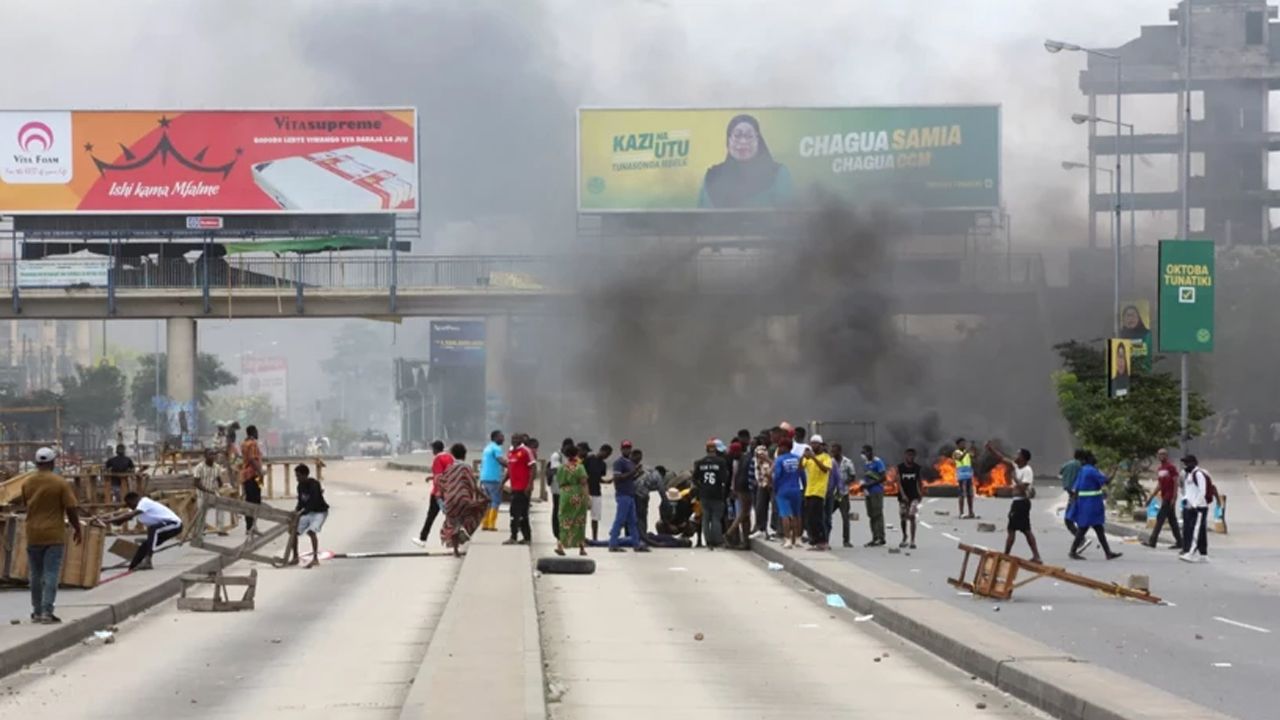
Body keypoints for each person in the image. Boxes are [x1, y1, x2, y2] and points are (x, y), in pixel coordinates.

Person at [21, 447, 81, 624]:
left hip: (33, 533)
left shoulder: (27, 483)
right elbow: (71, 508)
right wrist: (77, 528)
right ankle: (47, 611)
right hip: (54, 534)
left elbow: (26, 504)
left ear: (37, 463)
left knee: (35, 574)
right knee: (51, 573)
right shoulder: (60, 483)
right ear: (53, 462)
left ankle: (37, 611)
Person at [697, 113, 793, 209]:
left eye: (749, 136)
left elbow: (786, 217)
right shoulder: (712, 176)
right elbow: (701, 218)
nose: (743, 142)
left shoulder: (778, 174)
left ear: (758, 141)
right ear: (728, 140)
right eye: (737, 135)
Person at [988, 444, 1042, 564]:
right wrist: (991, 449)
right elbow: (1002, 458)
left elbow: (1024, 488)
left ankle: (1007, 555)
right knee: (1021, 530)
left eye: (1018, 454)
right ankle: (1035, 556)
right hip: (1017, 502)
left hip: (1021, 503)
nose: (1015, 456)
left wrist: (1015, 478)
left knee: (1016, 530)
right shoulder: (1016, 466)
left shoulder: (1027, 470)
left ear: (1023, 457)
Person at [1066, 451, 1122, 560]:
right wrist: (1114, 471)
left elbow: (1076, 488)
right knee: (1084, 528)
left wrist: (1074, 503)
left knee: (1098, 529)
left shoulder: (1083, 470)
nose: (1095, 458)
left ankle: (1108, 553)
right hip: (1091, 504)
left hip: (1085, 503)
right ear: (1089, 459)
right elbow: (1107, 481)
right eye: (1093, 457)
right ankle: (1073, 551)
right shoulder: (1091, 470)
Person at [112, 492, 183, 571]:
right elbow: (122, 519)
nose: (130, 507)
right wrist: (109, 520)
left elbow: (129, 515)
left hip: (175, 525)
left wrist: (108, 520)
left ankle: (148, 560)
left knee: (153, 529)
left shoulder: (144, 502)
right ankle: (135, 564)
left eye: (129, 504)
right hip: (164, 527)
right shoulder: (137, 507)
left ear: (134, 500)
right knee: (145, 545)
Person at [438, 443, 486, 557]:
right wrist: (484, 497)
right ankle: (466, 532)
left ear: (452, 454)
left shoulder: (449, 468)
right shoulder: (466, 467)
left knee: (453, 523)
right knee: (478, 511)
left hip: (451, 501)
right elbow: (473, 485)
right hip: (464, 500)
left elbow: (442, 482)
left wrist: (447, 494)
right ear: (465, 455)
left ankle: (456, 550)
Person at [606, 441, 649, 552]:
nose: (627, 450)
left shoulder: (630, 463)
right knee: (620, 520)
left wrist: (637, 473)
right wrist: (633, 472)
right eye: (625, 448)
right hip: (622, 494)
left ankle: (636, 544)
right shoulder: (619, 463)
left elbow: (630, 478)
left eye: (629, 448)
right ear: (621, 449)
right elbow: (618, 478)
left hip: (630, 494)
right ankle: (613, 543)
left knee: (632, 521)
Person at [412, 440, 452, 548]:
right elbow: (446, 474)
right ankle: (454, 538)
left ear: (435, 449)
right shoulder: (449, 457)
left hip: (437, 493)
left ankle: (422, 539)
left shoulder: (437, 459)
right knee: (451, 515)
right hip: (449, 490)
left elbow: (439, 477)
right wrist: (432, 477)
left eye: (432, 449)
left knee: (431, 516)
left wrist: (438, 492)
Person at [693, 439, 731, 550]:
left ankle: (708, 540)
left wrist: (701, 487)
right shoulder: (721, 462)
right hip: (717, 493)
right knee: (716, 517)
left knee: (706, 517)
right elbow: (724, 478)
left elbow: (695, 478)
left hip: (704, 494)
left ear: (706, 450)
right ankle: (717, 540)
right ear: (715, 450)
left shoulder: (700, 462)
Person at [289, 464, 329, 568]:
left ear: (305, 475)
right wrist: (296, 511)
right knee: (293, 531)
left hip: (319, 512)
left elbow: (314, 502)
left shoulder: (314, 485)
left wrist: (302, 512)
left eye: (298, 476)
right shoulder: (300, 486)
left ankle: (315, 559)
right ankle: (295, 557)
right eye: (296, 476)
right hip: (308, 512)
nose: (297, 478)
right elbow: (300, 502)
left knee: (311, 532)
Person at [555, 445, 590, 557]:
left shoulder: (561, 467)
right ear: (576, 454)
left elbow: (559, 482)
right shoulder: (580, 467)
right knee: (579, 520)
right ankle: (581, 548)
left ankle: (560, 544)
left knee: (565, 519)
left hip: (565, 494)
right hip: (577, 494)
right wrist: (587, 497)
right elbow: (584, 482)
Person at [1145, 448, 1183, 549]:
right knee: (1172, 520)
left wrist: (1174, 497)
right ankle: (1180, 542)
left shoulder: (1171, 467)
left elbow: (1175, 482)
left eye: (1163, 454)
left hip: (1169, 497)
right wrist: (1151, 497)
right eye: (1159, 454)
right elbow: (1160, 485)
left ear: (1167, 456)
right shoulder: (1160, 469)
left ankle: (1152, 541)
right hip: (1164, 496)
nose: (1161, 456)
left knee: (1160, 518)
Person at [801, 436, 832, 551]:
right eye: (812, 444)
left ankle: (823, 541)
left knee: (817, 518)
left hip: (819, 491)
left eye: (816, 444)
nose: (813, 446)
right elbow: (800, 467)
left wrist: (814, 458)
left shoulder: (825, 457)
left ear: (820, 445)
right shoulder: (809, 458)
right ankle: (814, 540)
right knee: (810, 518)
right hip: (809, 490)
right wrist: (802, 457)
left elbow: (825, 469)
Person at [772, 439, 805, 549]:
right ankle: (798, 539)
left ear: (785, 447)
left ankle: (788, 540)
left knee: (785, 514)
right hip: (796, 489)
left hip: (783, 490)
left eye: (780, 447)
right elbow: (802, 475)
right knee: (797, 515)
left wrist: (775, 488)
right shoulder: (797, 458)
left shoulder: (779, 460)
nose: (779, 449)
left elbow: (777, 476)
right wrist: (804, 488)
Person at [1179, 454, 1211, 563]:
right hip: (1190, 506)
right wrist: (1185, 502)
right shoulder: (1189, 475)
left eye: (1187, 463)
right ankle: (1203, 554)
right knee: (1200, 531)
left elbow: (1203, 491)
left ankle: (1190, 553)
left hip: (1199, 507)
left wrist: (1195, 505)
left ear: (1193, 463)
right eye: (1184, 463)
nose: (1185, 465)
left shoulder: (1199, 474)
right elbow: (1188, 491)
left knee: (1195, 531)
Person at [504, 433, 535, 545]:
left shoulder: (526, 451)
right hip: (514, 487)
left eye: (517, 439)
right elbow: (509, 469)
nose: (514, 440)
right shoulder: (511, 452)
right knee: (514, 513)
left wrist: (530, 485)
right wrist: (502, 482)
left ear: (521, 440)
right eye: (513, 439)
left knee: (521, 513)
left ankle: (520, 537)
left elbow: (532, 467)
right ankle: (518, 536)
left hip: (523, 488)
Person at [724, 441, 753, 548]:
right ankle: (734, 536)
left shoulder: (742, 460)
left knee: (744, 514)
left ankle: (732, 534)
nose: (731, 454)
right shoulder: (742, 459)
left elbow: (738, 477)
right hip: (742, 489)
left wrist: (734, 489)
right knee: (744, 514)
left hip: (742, 489)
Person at [479, 430, 507, 532]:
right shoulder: (496, 448)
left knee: (487, 502)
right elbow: (501, 461)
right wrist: (512, 466)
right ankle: (491, 524)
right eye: (501, 437)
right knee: (495, 501)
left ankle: (485, 523)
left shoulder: (487, 448)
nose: (503, 439)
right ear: (495, 437)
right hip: (493, 478)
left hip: (484, 478)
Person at [860, 446, 888, 546]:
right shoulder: (866, 464)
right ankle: (874, 537)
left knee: (877, 514)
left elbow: (883, 477)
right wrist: (863, 485)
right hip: (868, 492)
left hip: (876, 491)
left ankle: (881, 537)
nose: (863, 455)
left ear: (870, 452)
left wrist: (870, 485)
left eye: (864, 453)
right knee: (871, 514)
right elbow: (866, 477)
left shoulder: (878, 462)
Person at [583, 443, 611, 542]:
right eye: (606, 454)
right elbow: (583, 474)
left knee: (595, 517)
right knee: (582, 516)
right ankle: (581, 536)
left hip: (596, 492)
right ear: (601, 450)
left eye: (608, 456)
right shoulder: (589, 460)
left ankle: (595, 538)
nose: (606, 457)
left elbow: (598, 478)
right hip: (586, 491)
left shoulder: (603, 465)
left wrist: (606, 481)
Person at [896, 448, 923, 549]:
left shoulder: (917, 468)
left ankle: (912, 540)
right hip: (903, 496)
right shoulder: (900, 467)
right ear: (905, 456)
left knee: (912, 516)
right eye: (908, 455)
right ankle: (904, 536)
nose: (910, 457)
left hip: (914, 496)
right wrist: (903, 495)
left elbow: (920, 482)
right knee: (903, 516)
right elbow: (898, 483)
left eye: (912, 456)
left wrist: (921, 493)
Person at [830, 443, 856, 548]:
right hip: (832, 494)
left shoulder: (847, 462)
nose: (833, 453)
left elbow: (853, 476)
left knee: (845, 517)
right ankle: (824, 538)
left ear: (840, 451)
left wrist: (844, 482)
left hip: (842, 494)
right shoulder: (829, 461)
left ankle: (846, 540)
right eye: (832, 451)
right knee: (827, 515)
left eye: (835, 451)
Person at [240, 425, 264, 535]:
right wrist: (260, 472)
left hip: (245, 475)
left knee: (249, 500)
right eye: (257, 431)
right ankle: (252, 526)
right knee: (256, 501)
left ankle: (249, 526)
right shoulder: (253, 443)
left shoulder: (243, 443)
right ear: (253, 432)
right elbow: (252, 459)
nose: (258, 433)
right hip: (254, 475)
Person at [548, 437, 573, 540]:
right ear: (563, 447)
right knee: (557, 509)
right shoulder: (556, 456)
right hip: (557, 487)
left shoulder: (569, 456)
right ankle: (557, 532)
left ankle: (565, 532)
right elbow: (556, 470)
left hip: (567, 487)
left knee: (567, 511)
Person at [635, 450, 663, 536]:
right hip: (640, 496)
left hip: (635, 495)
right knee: (641, 517)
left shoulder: (645, 470)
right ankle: (641, 536)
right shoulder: (656, 475)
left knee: (634, 517)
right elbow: (662, 491)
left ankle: (635, 536)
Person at [750, 442, 775, 540]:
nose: (760, 456)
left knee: (770, 509)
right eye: (758, 454)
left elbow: (770, 473)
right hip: (760, 486)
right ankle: (761, 529)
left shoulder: (768, 463)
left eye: (762, 454)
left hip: (768, 486)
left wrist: (769, 483)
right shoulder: (755, 462)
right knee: (759, 508)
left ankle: (770, 530)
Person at [954, 438, 975, 519]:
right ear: (958, 445)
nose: (964, 445)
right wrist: (967, 451)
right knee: (962, 495)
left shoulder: (967, 452)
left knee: (970, 495)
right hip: (961, 477)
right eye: (962, 443)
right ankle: (961, 512)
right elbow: (960, 458)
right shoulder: (956, 452)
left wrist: (972, 447)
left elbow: (973, 455)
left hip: (969, 476)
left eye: (964, 443)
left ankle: (971, 512)